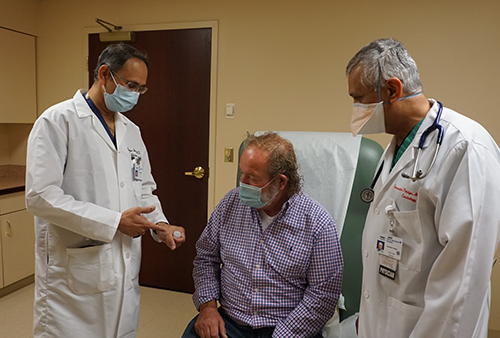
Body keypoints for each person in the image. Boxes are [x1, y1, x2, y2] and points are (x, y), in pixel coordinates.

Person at [26, 43, 186, 338]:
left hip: (122, 268)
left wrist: (159, 223)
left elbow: (145, 187)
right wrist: (114, 222)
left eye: (141, 89)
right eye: (131, 85)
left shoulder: (132, 132)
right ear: (104, 74)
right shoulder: (57, 121)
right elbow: (40, 196)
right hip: (74, 273)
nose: (135, 95)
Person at [346, 38, 500, 338]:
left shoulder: (465, 149)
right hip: (382, 322)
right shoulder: (398, 147)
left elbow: (463, 282)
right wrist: (367, 315)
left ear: (392, 90)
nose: (355, 108)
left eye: (359, 98)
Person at [181, 132, 343, 338]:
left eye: (252, 178)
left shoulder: (318, 224)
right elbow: (205, 258)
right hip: (229, 322)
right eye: (242, 173)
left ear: (281, 182)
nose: (242, 183)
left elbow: (323, 295)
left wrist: (283, 335)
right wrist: (208, 308)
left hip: (286, 328)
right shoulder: (230, 205)